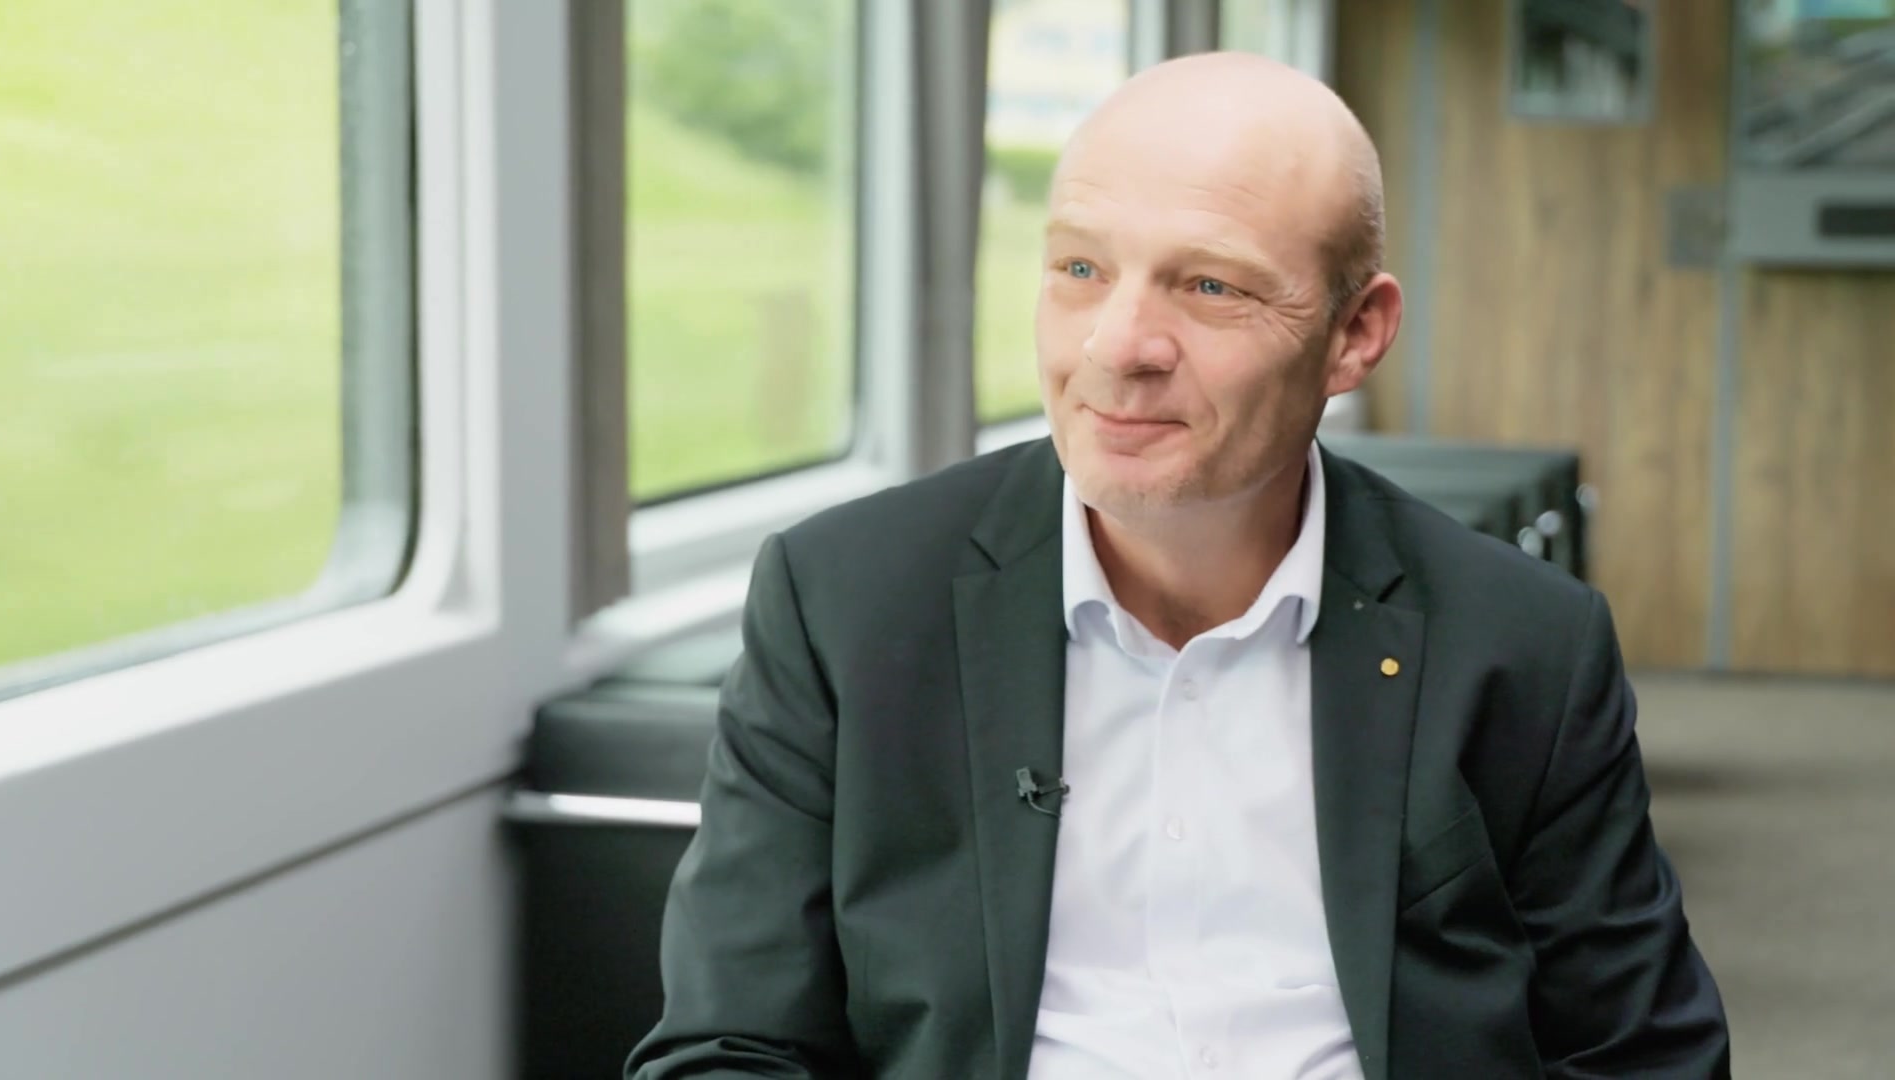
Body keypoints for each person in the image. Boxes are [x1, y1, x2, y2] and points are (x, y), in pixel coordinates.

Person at [626, 51, 1730, 1080]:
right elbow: (729, 1044)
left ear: (1355, 334)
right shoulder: (846, 604)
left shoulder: (1523, 644)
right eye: (1080, 268)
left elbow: (1644, 1057)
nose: (1117, 345)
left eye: (1210, 288)